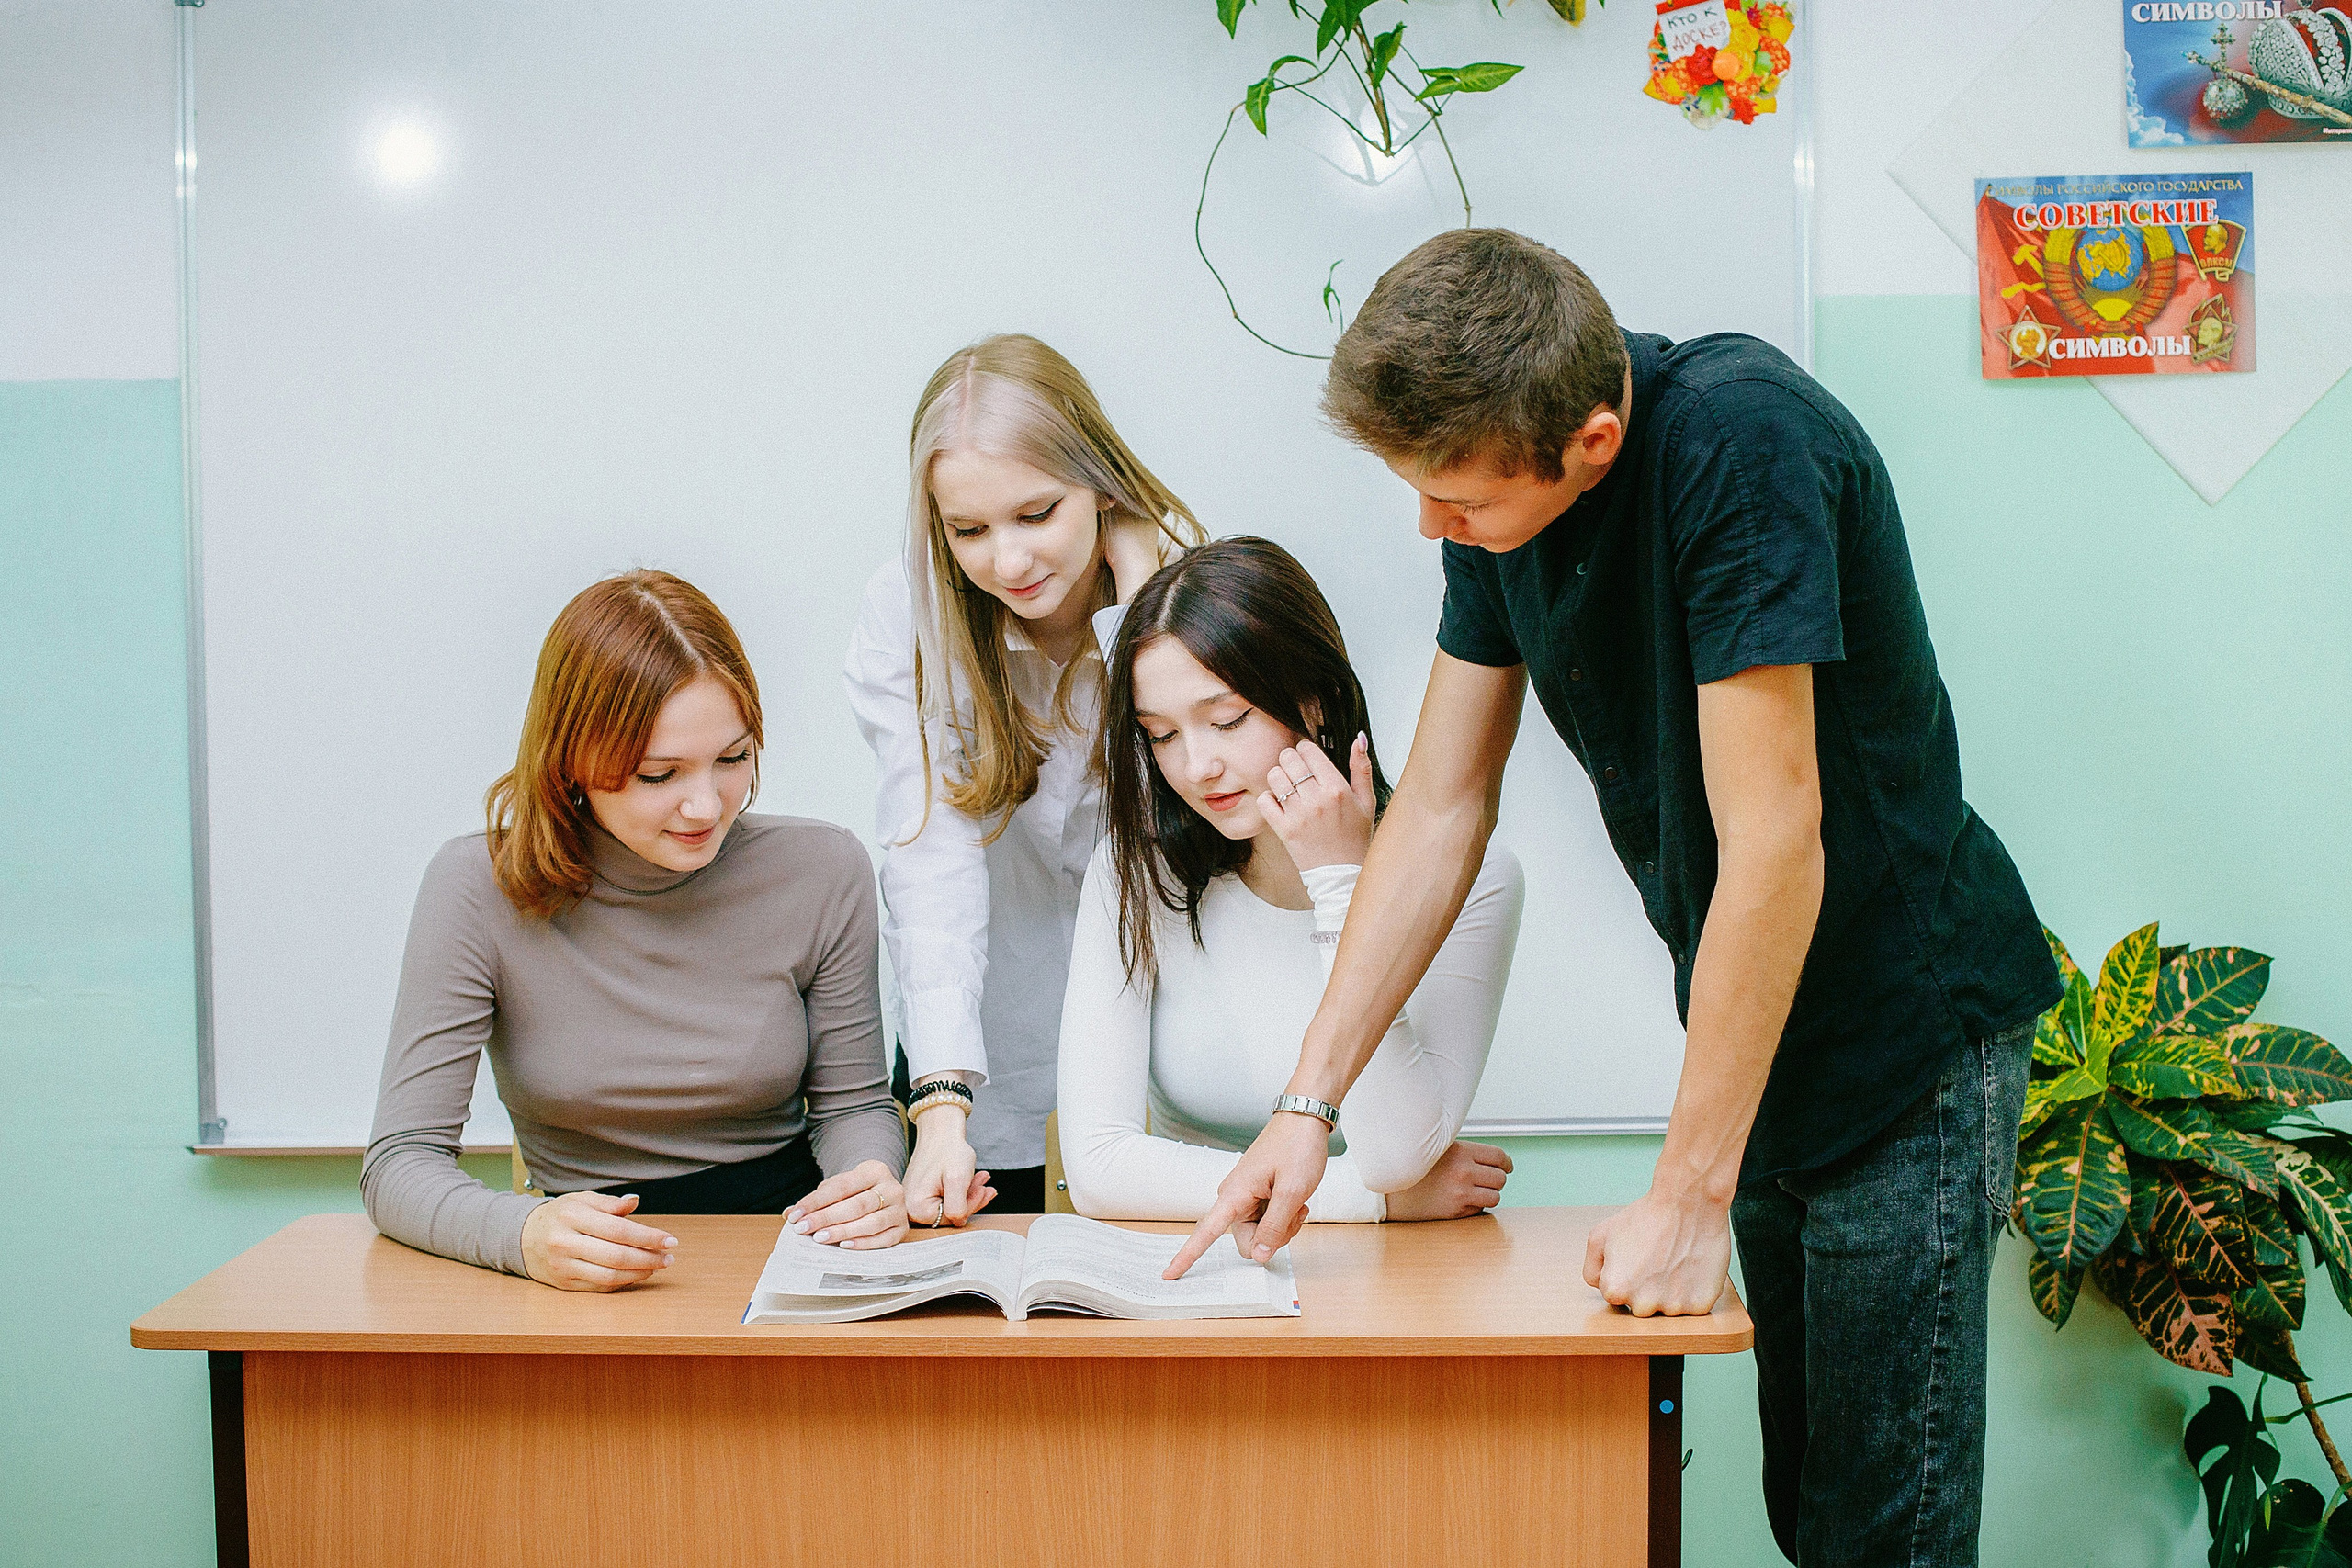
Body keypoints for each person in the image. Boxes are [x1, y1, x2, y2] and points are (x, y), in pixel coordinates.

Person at [1170, 231, 2059, 1565]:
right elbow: (1444, 808)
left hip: (1910, 1037)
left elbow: (1775, 842)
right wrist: (1311, 1104)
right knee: (1808, 1498)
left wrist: (1689, 1196)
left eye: (1454, 499)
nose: (1432, 525)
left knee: (1886, 1529)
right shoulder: (1500, 501)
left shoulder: (1739, 447)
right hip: (1765, 1040)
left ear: (1590, 439)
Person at [362, 570, 910, 1291]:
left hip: (791, 1251)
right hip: (582, 1264)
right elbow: (400, 1160)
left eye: (733, 759)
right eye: (659, 774)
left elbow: (854, 1105)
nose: (705, 806)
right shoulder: (476, 887)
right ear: (571, 764)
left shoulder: (822, 869)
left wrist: (868, 1180)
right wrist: (520, 1234)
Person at [844, 334, 1204, 1226]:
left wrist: (1137, 603)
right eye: (968, 530)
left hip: (1171, 1007)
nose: (1007, 561)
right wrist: (938, 1106)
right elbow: (928, 857)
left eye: (1036, 512)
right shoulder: (907, 615)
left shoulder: (1190, 582)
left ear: (1099, 483)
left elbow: (1179, 814)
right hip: (981, 1018)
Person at [1058, 536, 1521, 1228]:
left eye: (1225, 721)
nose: (1196, 767)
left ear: (1320, 701)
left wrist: (1339, 882)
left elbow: (1396, 1152)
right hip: (1190, 1268)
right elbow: (1097, 1169)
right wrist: (1371, 1202)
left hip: (1392, 1287)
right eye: (1160, 735)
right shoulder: (1132, 873)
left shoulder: (1476, 876)